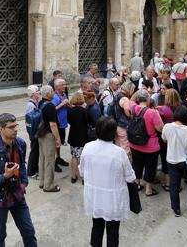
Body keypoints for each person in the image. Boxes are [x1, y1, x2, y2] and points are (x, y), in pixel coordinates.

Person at [0, 113, 37, 247]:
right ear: (1, 129)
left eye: (16, 126)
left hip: (17, 195)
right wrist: (4, 176)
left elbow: (23, 165)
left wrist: (24, 183)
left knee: (29, 231)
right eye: (11, 127)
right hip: (0, 199)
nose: (15, 129)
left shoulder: (21, 144)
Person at [79, 117, 136, 247]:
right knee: (113, 231)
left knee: (97, 226)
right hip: (113, 199)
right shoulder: (119, 152)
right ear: (113, 133)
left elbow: (82, 171)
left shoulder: (88, 147)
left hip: (95, 196)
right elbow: (130, 177)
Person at [162, 106, 187, 217]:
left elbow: (164, 139)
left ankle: (176, 209)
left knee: (174, 185)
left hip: (171, 160)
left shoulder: (166, 127)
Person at [129, 90, 164, 196]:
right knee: (150, 166)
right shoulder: (152, 112)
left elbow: (131, 99)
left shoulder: (133, 108)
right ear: (148, 99)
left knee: (136, 164)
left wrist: (139, 91)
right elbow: (160, 129)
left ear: (138, 99)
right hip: (150, 146)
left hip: (134, 143)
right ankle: (148, 189)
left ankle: (137, 184)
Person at [157, 89, 182, 191]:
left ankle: (168, 183)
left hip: (166, 138)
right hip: (179, 138)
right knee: (178, 159)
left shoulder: (163, 109)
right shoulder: (182, 108)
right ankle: (177, 183)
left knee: (166, 159)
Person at [38, 85, 61, 192]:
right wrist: (58, 138)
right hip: (48, 135)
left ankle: (42, 181)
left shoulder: (40, 103)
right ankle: (49, 186)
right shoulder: (50, 106)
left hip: (40, 134)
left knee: (42, 158)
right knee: (49, 161)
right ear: (48, 94)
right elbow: (53, 125)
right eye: (52, 91)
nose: (54, 93)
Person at [67, 92, 89, 183]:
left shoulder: (70, 111)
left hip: (73, 135)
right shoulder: (84, 110)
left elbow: (69, 122)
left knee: (74, 156)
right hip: (82, 135)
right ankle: (83, 177)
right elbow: (86, 122)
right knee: (83, 157)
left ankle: (73, 176)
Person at [52, 79, 70, 172]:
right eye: (62, 85)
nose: (64, 86)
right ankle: (53, 162)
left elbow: (66, 105)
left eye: (65, 84)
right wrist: (63, 103)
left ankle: (58, 158)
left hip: (63, 123)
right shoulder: (55, 97)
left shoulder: (63, 94)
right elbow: (52, 109)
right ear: (57, 87)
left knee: (60, 143)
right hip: (57, 124)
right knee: (55, 143)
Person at [25, 85, 41, 178]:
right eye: (37, 92)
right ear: (33, 94)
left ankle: (35, 169)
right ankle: (31, 172)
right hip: (34, 132)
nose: (38, 93)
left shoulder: (35, 102)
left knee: (36, 151)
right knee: (34, 151)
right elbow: (31, 120)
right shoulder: (31, 105)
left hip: (35, 132)